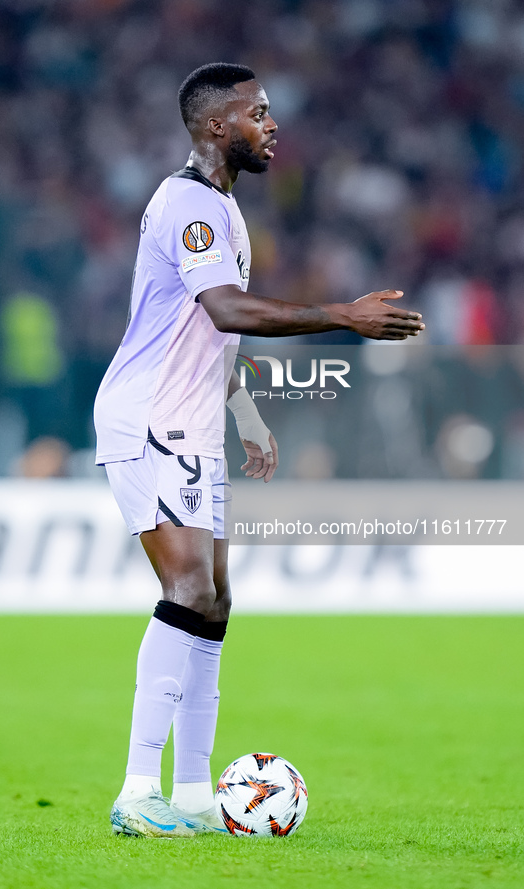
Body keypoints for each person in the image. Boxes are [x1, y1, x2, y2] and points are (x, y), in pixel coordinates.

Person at [93, 62, 425, 839]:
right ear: (217, 127)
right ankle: (138, 789)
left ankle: (195, 791)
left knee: (215, 600)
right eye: (258, 113)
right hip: (150, 417)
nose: (272, 125)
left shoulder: (226, 213)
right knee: (187, 588)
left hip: (194, 423)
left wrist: (242, 412)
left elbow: (219, 329)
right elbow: (227, 305)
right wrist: (341, 313)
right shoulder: (187, 205)